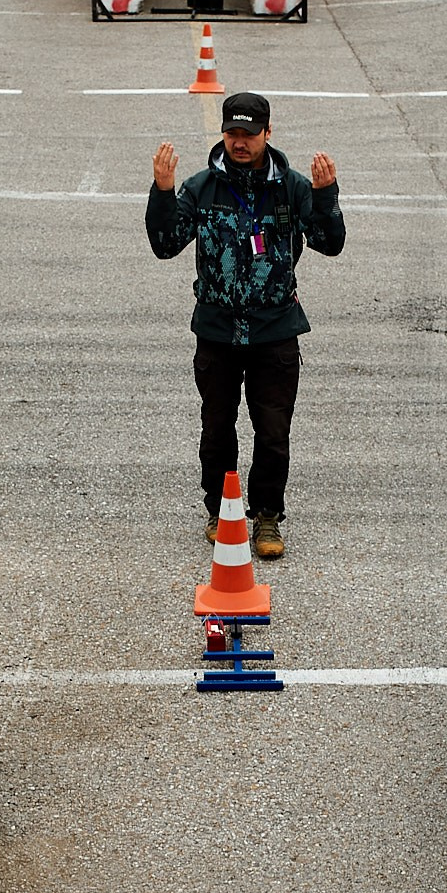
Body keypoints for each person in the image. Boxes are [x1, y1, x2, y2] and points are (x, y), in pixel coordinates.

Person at [147, 91, 344, 560]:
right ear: (223, 133)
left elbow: (330, 242)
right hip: (216, 332)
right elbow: (165, 243)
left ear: (267, 134)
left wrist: (325, 195)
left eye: (249, 134)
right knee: (217, 428)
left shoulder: (292, 187)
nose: (240, 143)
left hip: (275, 331)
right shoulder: (201, 187)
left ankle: (268, 517)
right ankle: (219, 510)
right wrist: (162, 191)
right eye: (233, 133)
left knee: (273, 432)